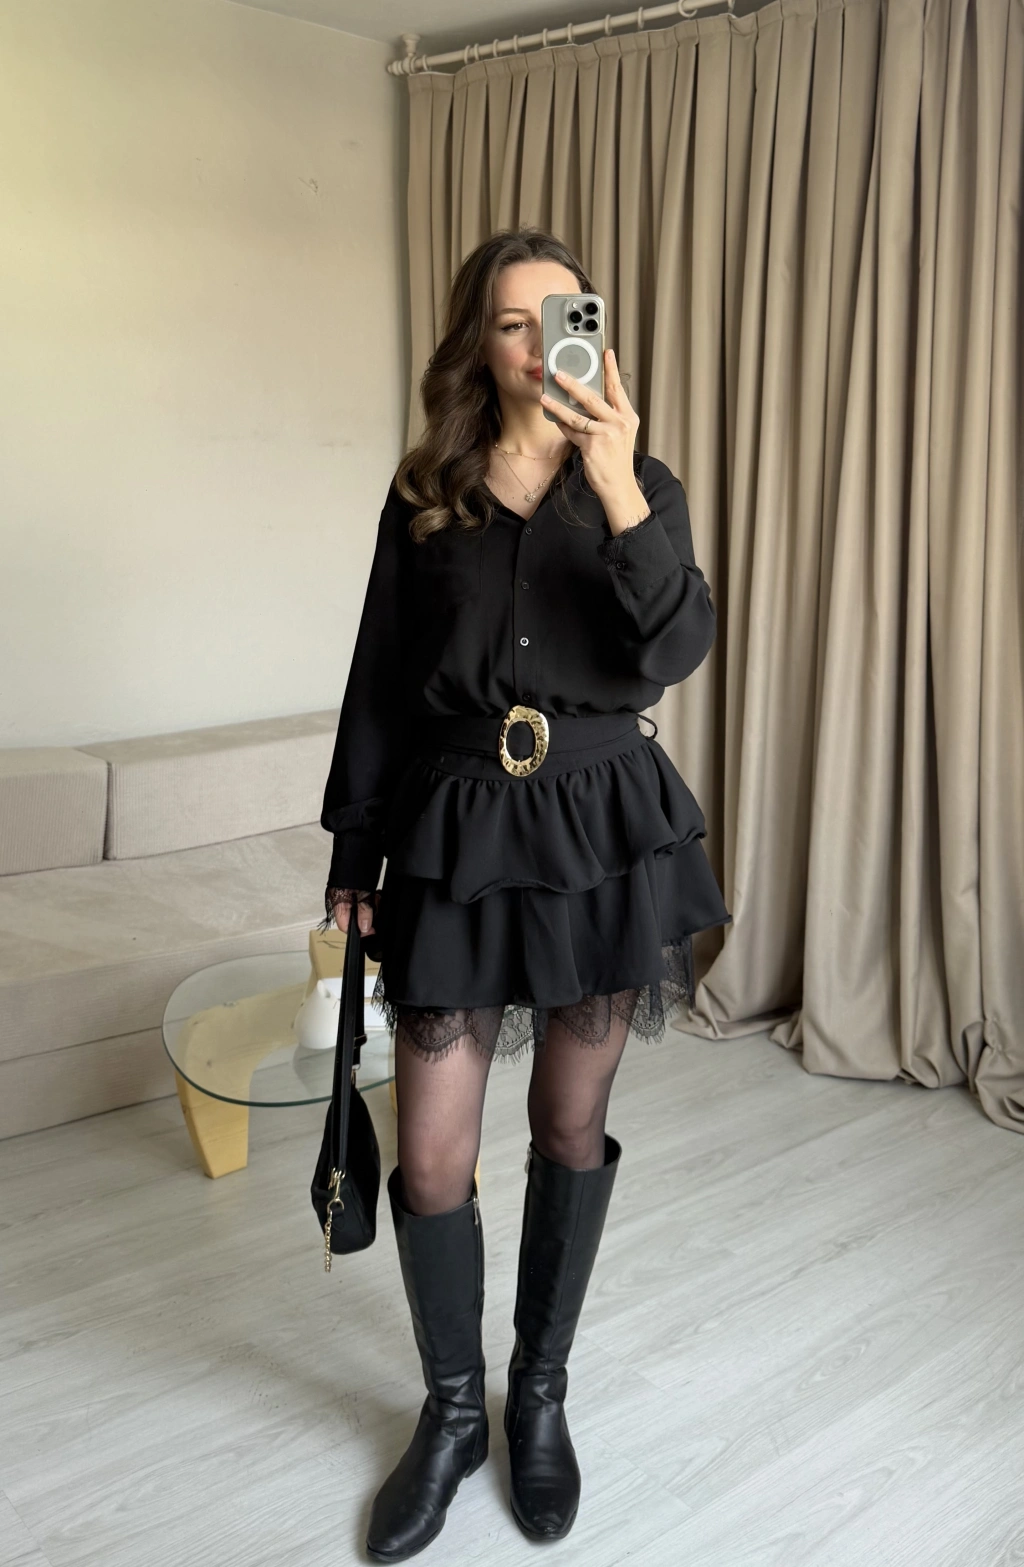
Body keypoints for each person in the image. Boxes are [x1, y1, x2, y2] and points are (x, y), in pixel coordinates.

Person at [319, 227, 729, 1562]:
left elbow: (676, 644)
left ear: (592, 332)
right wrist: (353, 855)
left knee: (568, 1120)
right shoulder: (426, 489)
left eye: (564, 316)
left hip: (598, 827)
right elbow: (381, 676)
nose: (541, 342)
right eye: (512, 321)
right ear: (481, 345)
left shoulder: (641, 482)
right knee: (434, 1152)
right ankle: (451, 1412)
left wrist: (615, 485)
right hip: (451, 828)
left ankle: (536, 1395)